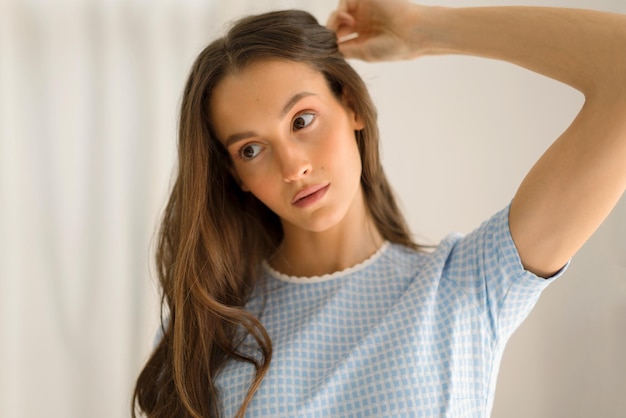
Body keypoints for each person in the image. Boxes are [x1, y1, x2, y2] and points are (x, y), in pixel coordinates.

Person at [132, 0, 626, 416]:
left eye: (302, 119)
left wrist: (423, 30)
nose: (292, 166)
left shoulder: (466, 287)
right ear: (235, 175)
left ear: (350, 105)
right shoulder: (207, 332)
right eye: (251, 149)